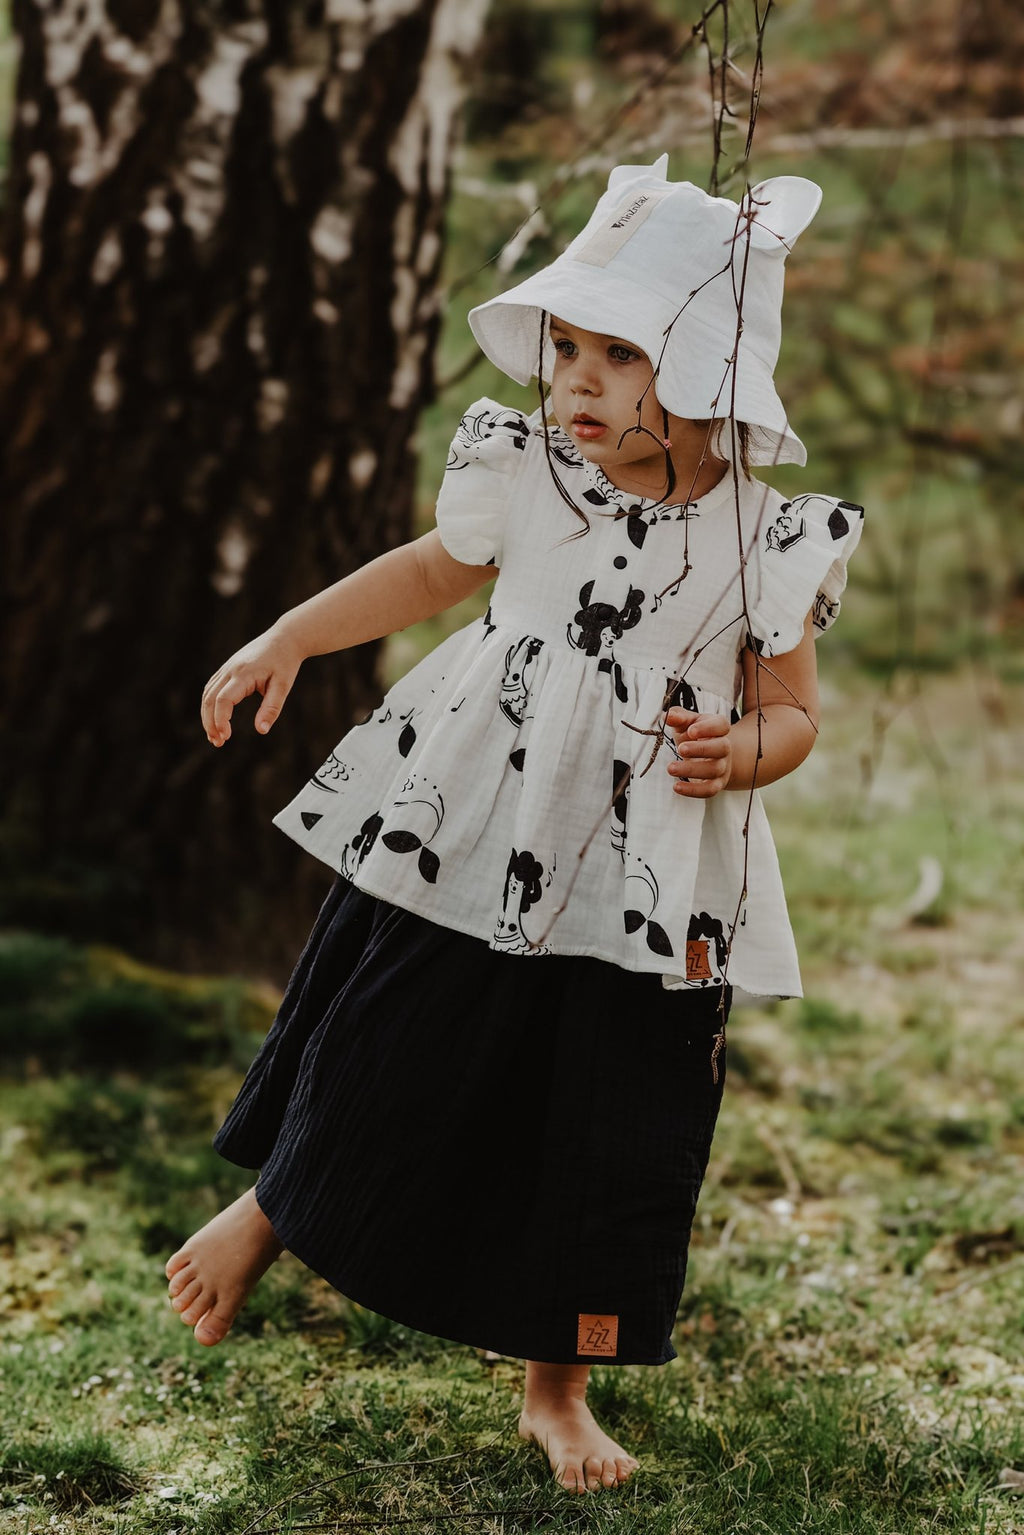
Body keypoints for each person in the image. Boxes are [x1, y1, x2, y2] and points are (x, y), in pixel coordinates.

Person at [165, 156, 863, 1494]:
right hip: (475, 833)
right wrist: (290, 637)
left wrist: (744, 752)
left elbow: (791, 713)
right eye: (566, 350)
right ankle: (275, 1208)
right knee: (396, 1035)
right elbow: (432, 571)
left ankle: (561, 1390)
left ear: (707, 369)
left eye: (618, 355)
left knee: (610, 1118)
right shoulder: (530, 472)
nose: (575, 384)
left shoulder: (763, 541)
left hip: (646, 883)